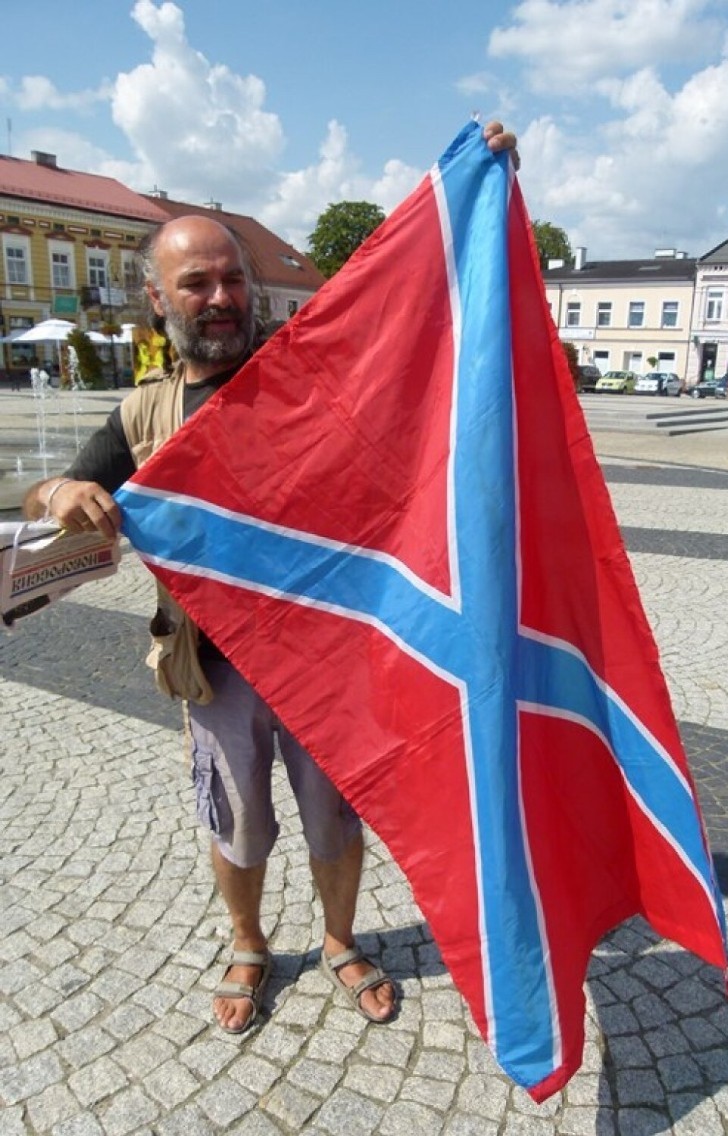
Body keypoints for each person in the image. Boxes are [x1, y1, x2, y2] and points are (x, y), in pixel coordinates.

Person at [24, 121, 519, 1036]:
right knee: (235, 821)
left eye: (233, 278)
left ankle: (338, 940)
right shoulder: (145, 411)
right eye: (197, 283)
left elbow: (416, 339)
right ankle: (249, 943)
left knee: (334, 820)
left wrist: (474, 200)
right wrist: (60, 487)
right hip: (212, 667)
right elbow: (57, 488)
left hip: (328, 657)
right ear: (157, 297)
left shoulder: (310, 377)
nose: (221, 297)